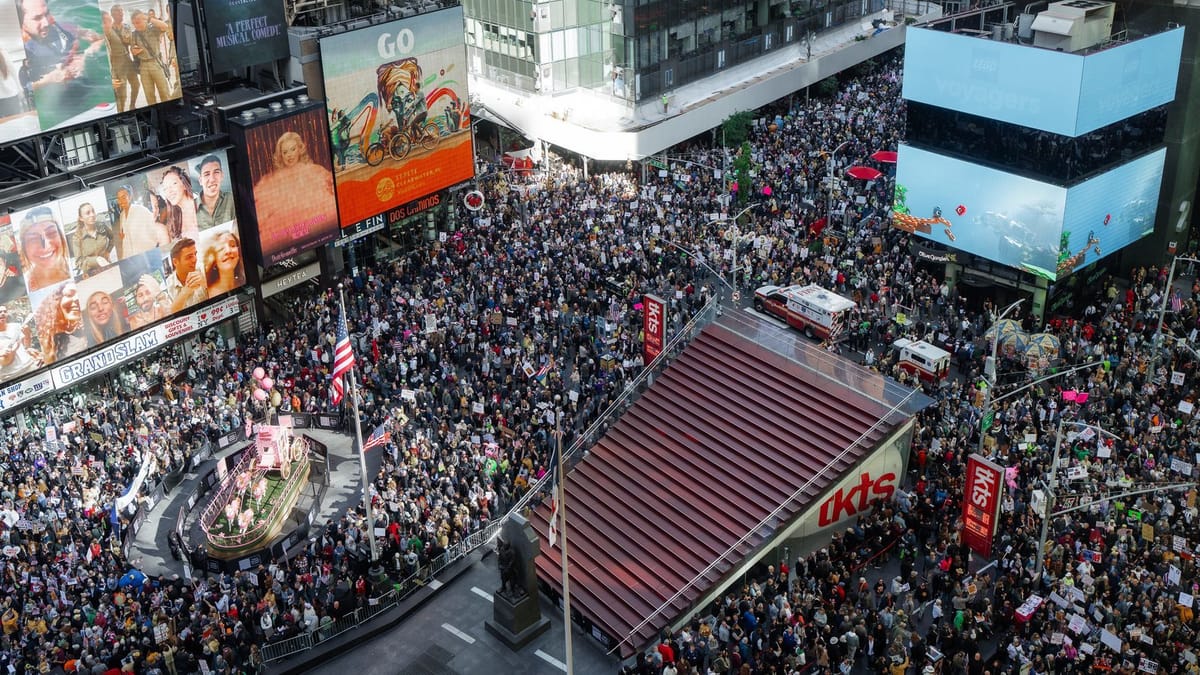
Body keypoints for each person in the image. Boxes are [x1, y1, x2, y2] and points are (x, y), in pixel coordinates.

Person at [18, 0, 110, 120]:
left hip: (89, 96)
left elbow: (99, 39)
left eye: (46, 13)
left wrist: (86, 56)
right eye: (37, 18)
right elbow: (24, 90)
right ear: (22, 24)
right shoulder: (26, 49)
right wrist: (48, 80)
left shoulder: (63, 27)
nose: (46, 22)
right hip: (59, 111)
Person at [253, 131, 337, 253]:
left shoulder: (316, 171)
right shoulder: (271, 181)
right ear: (280, 155)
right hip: (286, 241)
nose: (289, 155)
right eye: (285, 152)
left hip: (319, 232)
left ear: (300, 149)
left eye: (293, 149)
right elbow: (260, 215)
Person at [17, 207, 71, 292]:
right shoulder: (21, 286)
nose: (45, 246)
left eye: (51, 233)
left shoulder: (76, 267)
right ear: (24, 247)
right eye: (33, 239)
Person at [33, 280, 85, 364]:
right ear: (58, 302)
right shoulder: (49, 341)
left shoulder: (89, 329)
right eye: (69, 294)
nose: (76, 299)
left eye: (78, 295)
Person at [128, 9, 172, 105]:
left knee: (164, 93)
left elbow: (165, 26)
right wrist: (134, 51)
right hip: (143, 67)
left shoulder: (153, 29)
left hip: (155, 63)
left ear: (144, 19)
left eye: (138, 22)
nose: (136, 25)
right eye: (134, 23)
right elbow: (132, 49)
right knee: (149, 96)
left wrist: (148, 18)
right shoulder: (134, 35)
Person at [103, 5, 139, 112]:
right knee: (122, 91)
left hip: (127, 58)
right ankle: (121, 111)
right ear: (113, 14)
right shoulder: (109, 29)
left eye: (122, 11)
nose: (121, 14)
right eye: (119, 12)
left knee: (136, 84)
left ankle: (132, 105)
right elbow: (107, 47)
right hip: (117, 62)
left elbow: (131, 42)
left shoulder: (127, 27)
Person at [71, 201, 115, 277]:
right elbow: (79, 262)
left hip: (107, 267)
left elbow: (113, 237)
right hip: (91, 274)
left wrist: (108, 251)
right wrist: (96, 260)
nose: (92, 215)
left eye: (93, 211)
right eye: (88, 213)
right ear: (81, 218)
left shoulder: (102, 227)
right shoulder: (77, 236)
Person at [113, 184, 157, 258]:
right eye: (118, 199)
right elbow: (122, 232)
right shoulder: (122, 215)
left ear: (130, 197)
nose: (120, 201)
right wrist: (122, 234)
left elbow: (154, 230)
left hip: (143, 253)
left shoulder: (141, 210)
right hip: (128, 254)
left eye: (123, 197)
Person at [158, 165, 198, 242]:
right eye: (165, 189)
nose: (169, 191)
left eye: (174, 184)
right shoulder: (174, 219)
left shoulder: (202, 206)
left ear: (184, 185)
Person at [0, 303, 40, 380]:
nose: (2, 314)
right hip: (9, 376)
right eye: (0, 312)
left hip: (28, 367)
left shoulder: (15, 326)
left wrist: (27, 334)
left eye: (4, 311)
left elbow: (27, 346)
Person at [194, 155, 234, 230]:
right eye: (206, 174)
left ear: (222, 176)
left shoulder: (232, 199)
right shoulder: (190, 208)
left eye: (216, 172)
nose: (212, 179)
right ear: (200, 180)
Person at [165, 238, 205, 313]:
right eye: (189, 257)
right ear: (175, 262)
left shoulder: (204, 270)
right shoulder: (167, 285)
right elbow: (169, 314)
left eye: (195, 254)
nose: (195, 259)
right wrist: (185, 291)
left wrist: (207, 283)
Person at [202, 230, 244, 297]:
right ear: (213, 260)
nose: (228, 251)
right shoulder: (207, 295)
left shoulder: (243, 282)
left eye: (232, 245)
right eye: (221, 248)